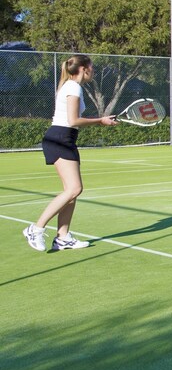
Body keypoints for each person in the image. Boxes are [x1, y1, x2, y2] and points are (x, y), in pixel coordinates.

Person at [23, 54, 117, 252]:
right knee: (74, 189)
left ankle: (63, 237)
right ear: (84, 69)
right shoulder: (73, 87)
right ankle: (36, 228)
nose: (94, 70)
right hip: (60, 138)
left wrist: (102, 120)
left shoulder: (71, 86)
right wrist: (101, 121)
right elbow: (73, 120)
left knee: (71, 193)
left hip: (65, 138)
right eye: (92, 67)